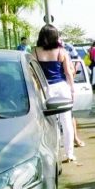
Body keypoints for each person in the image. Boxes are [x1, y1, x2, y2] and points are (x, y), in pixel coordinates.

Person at [33, 24, 77, 162]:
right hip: (61, 87)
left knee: (49, 122)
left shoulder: (34, 51)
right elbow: (68, 73)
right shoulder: (61, 51)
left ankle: (53, 152)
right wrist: (72, 89)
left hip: (45, 89)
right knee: (66, 121)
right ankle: (69, 154)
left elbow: (33, 73)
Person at [60, 39, 86, 148]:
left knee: (69, 115)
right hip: (49, 88)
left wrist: (71, 87)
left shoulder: (67, 49)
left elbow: (73, 68)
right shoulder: (41, 50)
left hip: (63, 87)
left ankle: (75, 138)